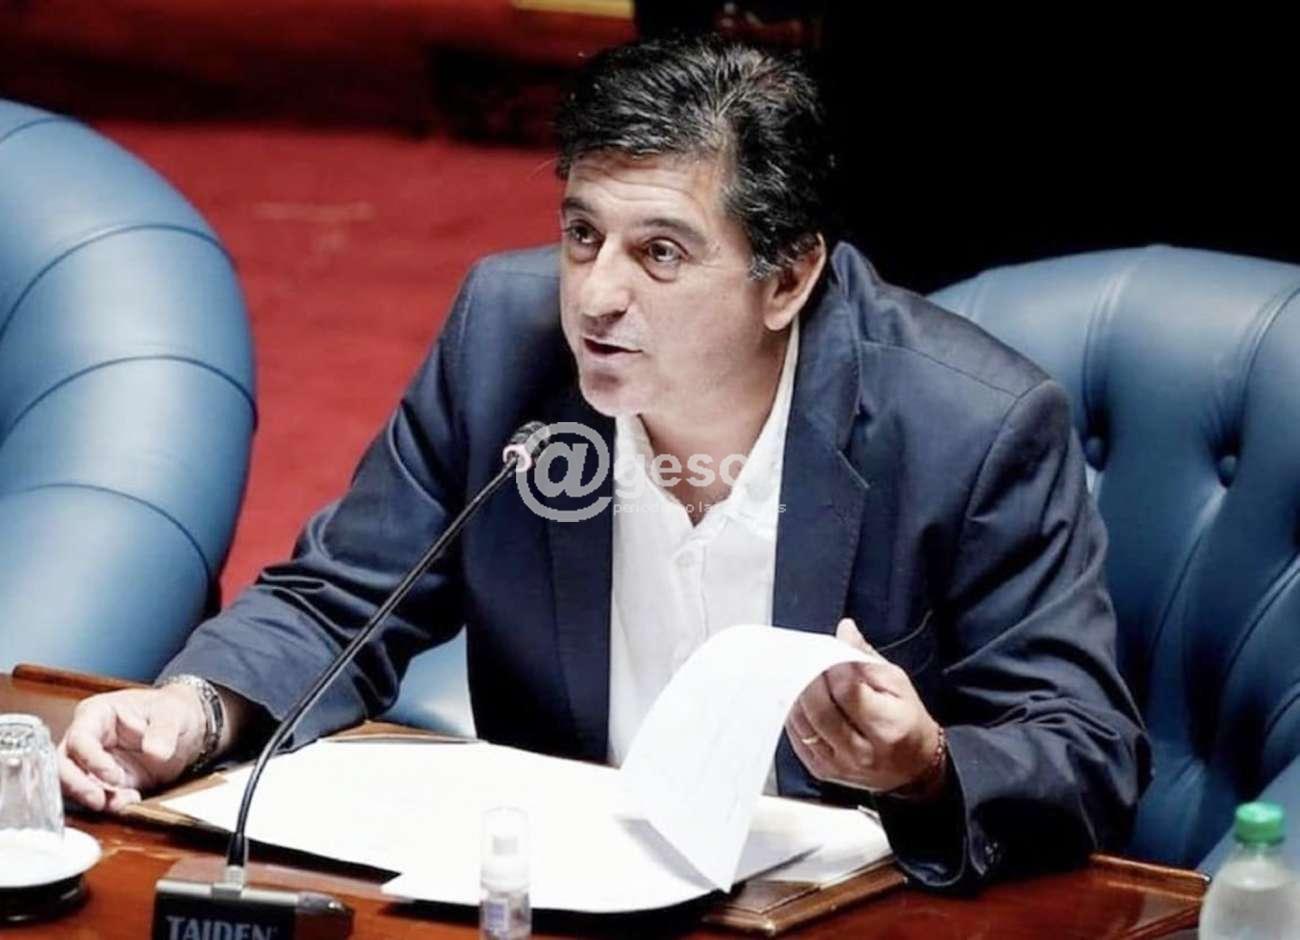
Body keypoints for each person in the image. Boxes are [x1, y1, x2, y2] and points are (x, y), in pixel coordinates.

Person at [58, 35, 1148, 890]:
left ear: (787, 278)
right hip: (560, 894)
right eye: (583, 235)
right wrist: (195, 712)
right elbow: (345, 596)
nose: (595, 295)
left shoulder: (969, 428)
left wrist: (923, 766)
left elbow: (1085, 751)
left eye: (659, 252)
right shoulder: (506, 339)